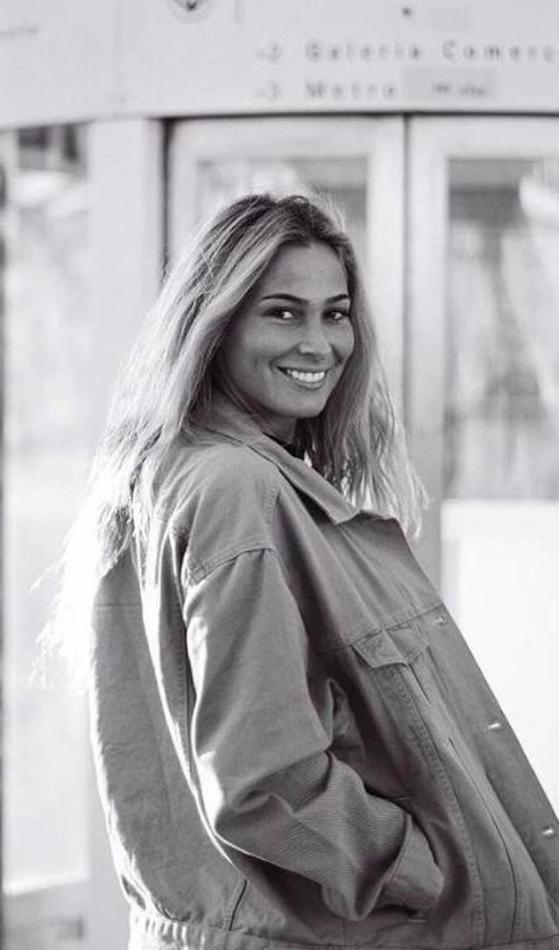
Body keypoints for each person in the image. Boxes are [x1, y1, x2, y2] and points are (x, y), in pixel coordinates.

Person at [60, 193, 559, 950]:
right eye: (283, 313)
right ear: (215, 324)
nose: (320, 343)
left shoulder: (171, 474)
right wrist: (431, 870)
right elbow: (264, 781)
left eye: (336, 314)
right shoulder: (235, 489)